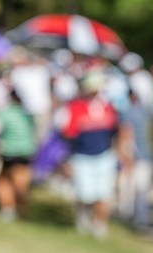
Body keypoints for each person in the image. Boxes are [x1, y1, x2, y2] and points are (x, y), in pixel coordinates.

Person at [54, 70, 118, 239]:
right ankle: (82, 219)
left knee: (104, 194)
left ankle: (99, 225)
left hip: (104, 155)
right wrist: (67, 160)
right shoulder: (74, 108)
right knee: (84, 195)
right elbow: (67, 135)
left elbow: (116, 132)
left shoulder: (108, 107)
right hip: (81, 156)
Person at [0, 89, 36, 221]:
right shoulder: (26, 114)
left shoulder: (3, 113)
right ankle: (23, 210)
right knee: (22, 183)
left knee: (3, 181)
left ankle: (8, 209)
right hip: (26, 151)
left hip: (9, 152)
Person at [117, 89, 153, 226]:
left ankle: (133, 217)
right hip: (141, 155)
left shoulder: (132, 113)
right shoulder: (147, 112)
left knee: (134, 187)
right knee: (139, 188)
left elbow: (125, 133)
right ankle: (138, 218)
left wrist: (125, 154)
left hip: (138, 155)